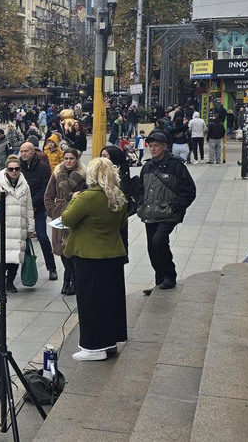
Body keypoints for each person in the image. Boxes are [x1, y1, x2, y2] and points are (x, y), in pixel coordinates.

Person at [61, 157, 130, 361]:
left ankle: (94, 347)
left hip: (90, 256)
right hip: (113, 255)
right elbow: (122, 223)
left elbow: (67, 219)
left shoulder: (87, 197)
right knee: (110, 301)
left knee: (90, 302)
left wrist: (73, 199)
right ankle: (110, 342)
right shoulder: (118, 196)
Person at [135, 130, 197, 291]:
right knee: (152, 247)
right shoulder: (147, 166)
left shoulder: (176, 166)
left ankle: (170, 275)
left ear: (164, 146)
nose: (152, 149)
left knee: (159, 241)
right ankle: (160, 280)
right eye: (150, 146)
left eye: (156, 146)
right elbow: (141, 189)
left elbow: (189, 191)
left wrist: (175, 207)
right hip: (150, 213)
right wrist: (141, 204)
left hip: (168, 213)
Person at [0, 155, 34, 294]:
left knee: (15, 258)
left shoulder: (25, 185)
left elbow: (29, 207)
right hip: (3, 227)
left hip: (19, 227)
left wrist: (30, 228)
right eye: (11, 169)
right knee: (1, 258)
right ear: (6, 170)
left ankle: (10, 282)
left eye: (17, 168)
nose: (14, 171)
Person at [43, 148, 87, 295]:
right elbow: (48, 195)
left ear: (76, 160)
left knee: (73, 247)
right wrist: (53, 211)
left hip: (76, 213)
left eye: (71, 158)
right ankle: (67, 277)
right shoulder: (57, 174)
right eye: (66, 158)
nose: (68, 161)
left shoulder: (83, 175)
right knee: (61, 247)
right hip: (60, 214)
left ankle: (74, 278)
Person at [19, 142, 58, 281]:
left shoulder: (43, 167)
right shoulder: (18, 167)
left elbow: (45, 189)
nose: (23, 154)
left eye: (26, 151)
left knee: (42, 236)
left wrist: (32, 204)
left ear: (32, 152)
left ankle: (51, 268)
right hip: (22, 208)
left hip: (38, 208)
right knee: (18, 238)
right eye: (21, 151)